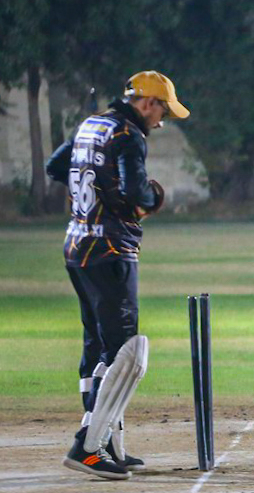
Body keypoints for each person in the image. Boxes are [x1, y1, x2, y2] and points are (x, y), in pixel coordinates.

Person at [46, 71, 190, 480]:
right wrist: (153, 198)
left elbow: (56, 167)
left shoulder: (92, 124)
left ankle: (107, 441)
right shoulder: (128, 135)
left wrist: (96, 194)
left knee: (99, 347)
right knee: (128, 352)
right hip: (111, 250)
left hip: (77, 247)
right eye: (162, 111)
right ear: (148, 103)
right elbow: (135, 192)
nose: (160, 122)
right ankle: (88, 447)